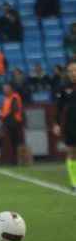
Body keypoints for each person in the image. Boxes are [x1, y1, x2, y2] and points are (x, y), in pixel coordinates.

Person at [53, 61, 76, 192]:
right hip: (70, 125)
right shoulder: (64, 88)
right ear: (67, 73)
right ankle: (74, 182)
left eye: (75, 70)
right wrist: (56, 123)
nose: (73, 73)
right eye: (71, 71)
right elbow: (58, 108)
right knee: (72, 153)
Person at [0, 83, 25, 164]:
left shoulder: (15, 97)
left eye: (6, 89)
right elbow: (4, 109)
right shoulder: (5, 98)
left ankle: (20, 159)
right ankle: (15, 159)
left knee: (17, 141)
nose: (4, 90)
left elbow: (15, 109)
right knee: (12, 141)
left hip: (15, 122)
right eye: (4, 89)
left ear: (10, 89)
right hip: (8, 122)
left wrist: (4, 116)